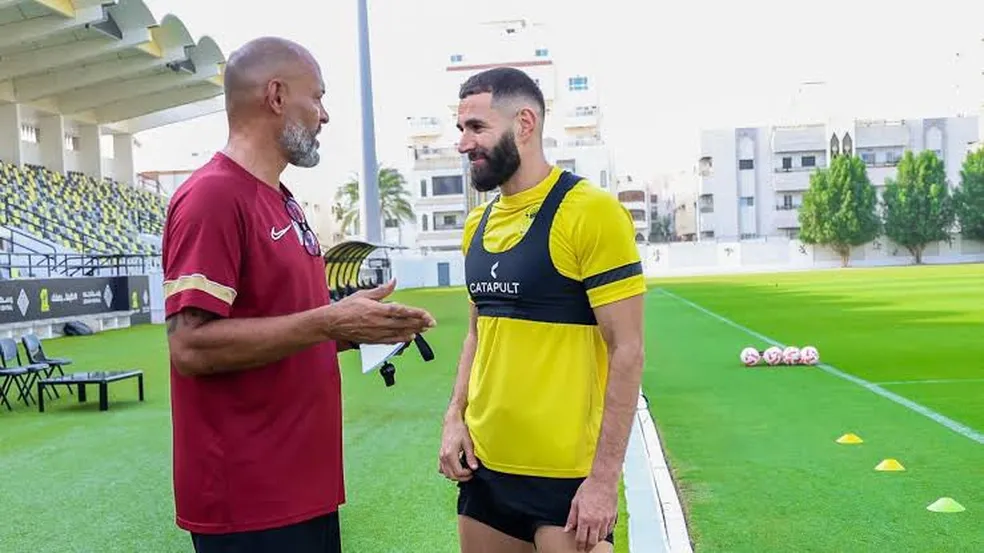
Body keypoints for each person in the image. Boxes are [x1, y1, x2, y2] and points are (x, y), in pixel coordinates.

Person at [162, 36, 435, 553]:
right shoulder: (213, 196)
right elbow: (190, 347)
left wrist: (355, 330)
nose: (325, 116)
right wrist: (328, 323)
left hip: (301, 486)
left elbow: (282, 326)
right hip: (249, 499)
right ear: (277, 96)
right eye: (318, 98)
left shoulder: (283, 201)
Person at [437, 67, 647, 553]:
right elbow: (476, 335)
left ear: (525, 124)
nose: (463, 144)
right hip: (486, 473)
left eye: (476, 128)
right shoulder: (477, 225)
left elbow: (628, 351)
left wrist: (602, 481)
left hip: (567, 482)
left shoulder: (591, 212)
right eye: (461, 128)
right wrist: (454, 417)